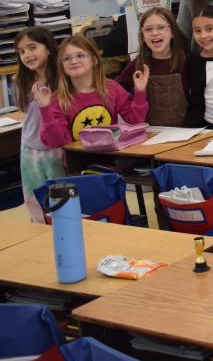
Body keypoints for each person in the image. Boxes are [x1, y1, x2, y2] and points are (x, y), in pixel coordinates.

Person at [37, 36, 149, 148]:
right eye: (67, 58)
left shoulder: (111, 88)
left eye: (80, 55)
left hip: (111, 155)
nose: (73, 61)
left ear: (94, 60)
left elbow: (135, 122)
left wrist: (140, 92)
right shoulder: (58, 99)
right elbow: (57, 142)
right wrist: (45, 109)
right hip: (77, 157)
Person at [14, 27, 61, 222]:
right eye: (22, 51)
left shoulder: (62, 78)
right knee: (33, 196)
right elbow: (25, 110)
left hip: (56, 147)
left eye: (32, 47)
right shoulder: (22, 80)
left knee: (60, 195)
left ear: (48, 48)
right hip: (30, 147)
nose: (27, 55)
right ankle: (40, 230)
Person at [116, 7, 190, 126]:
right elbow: (116, 90)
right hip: (151, 131)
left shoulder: (186, 60)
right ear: (142, 35)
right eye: (148, 29)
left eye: (161, 27)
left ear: (172, 32)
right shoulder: (139, 64)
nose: (154, 33)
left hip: (185, 129)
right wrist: (136, 98)